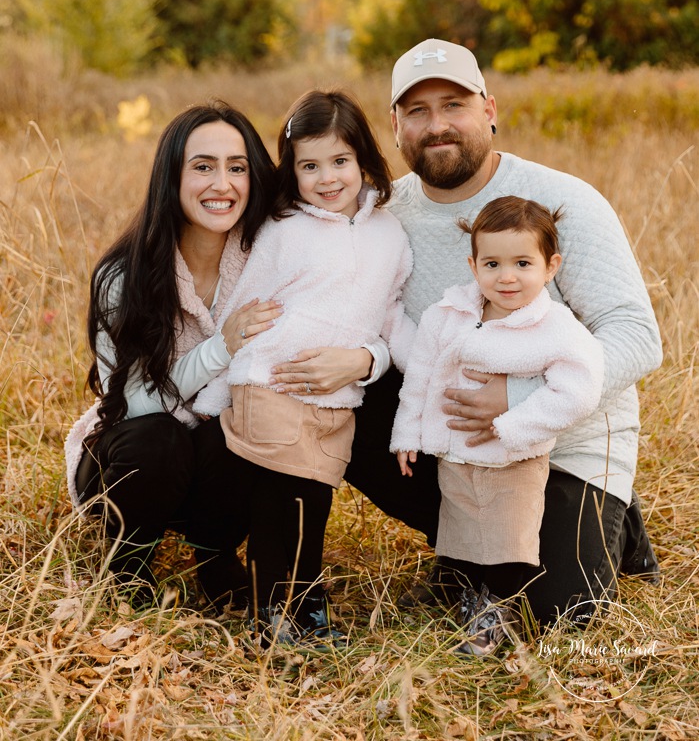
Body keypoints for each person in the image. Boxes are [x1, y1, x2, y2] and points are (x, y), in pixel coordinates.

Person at [335, 38, 663, 627]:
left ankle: (611, 514)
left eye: (454, 104)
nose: (437, 126)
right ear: (395, 125)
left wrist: (520, 400)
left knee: (556, 615)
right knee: (346, 400)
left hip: (566, 443)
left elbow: (636, 334)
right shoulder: (383, 216)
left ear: (490, 108)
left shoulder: (563, 201)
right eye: (418, 111)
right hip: (460, 443)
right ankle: (471, 546)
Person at [64, 101, 376, 610]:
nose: (222, 184)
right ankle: (129, 564)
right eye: (203, 166)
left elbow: (348, 317)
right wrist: (222, 347)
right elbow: (136, 405)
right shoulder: (124, 277)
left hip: (220, 462)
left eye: (237, 168)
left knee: (246, 426)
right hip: (133, 463)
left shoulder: (268, 254)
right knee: (159, 439)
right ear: (172, 176)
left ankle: (213, 555)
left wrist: (366, 359)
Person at [192, 89, 414, 647]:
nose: (327, 178)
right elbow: (240, 303)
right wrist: (215, 394)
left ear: (363, 159)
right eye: (309, 165)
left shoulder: (388, 234)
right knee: (286, 494)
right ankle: (279, 611)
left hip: (338, 397)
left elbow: (391, 314)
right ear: (290, 169)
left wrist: (422, 369)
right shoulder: (282, 230)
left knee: (314, 495)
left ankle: (296, 598)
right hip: (273, 380)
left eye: (339, 161)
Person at [391, 196, 605, 655]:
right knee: (462, 532)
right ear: (473, 266)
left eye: (523, 263)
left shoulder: (555, 327)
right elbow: (421, 379)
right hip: (457, 454)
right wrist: (407, 434)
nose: (507, 277)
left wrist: (512, 425)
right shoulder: (448, 317)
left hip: (515, 458)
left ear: (551, 267)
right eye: (493, 263)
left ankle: (498, 607)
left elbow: (578, 390)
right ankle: (471, 596)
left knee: (510, 539)